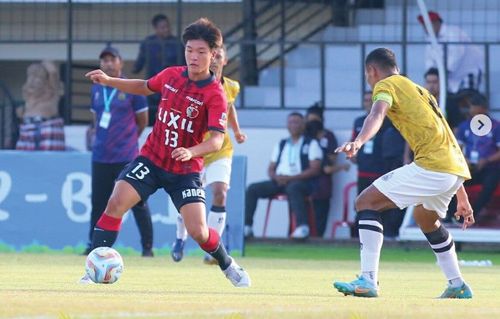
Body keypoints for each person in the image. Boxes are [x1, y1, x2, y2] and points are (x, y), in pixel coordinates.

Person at [81, 18, 250, 288]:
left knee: (199, 231)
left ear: (213, 55)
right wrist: (110, 80)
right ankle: (92, 270)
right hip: (152, 159)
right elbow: (143, 86)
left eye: (201, 52)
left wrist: (190, 150)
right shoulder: (171, 75)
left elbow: (217, 141)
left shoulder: (215, 94)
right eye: (189, 50)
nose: (193, 57)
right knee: (115, 203)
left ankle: (227, 264)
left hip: (185, 170)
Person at [333, 48, 474, 299]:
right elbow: (447, 136)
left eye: (368, 76)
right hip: (451, 168)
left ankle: (367, 279)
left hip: (433, 165)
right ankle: (457, 284)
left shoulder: (385, 85)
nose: (369, 80)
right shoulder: (422, 91)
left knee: (365, 202)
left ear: (371, 71)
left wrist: (359, 141)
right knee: (425, 218)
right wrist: (460, 193)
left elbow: (376, 113)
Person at [171, 45, 247, 264]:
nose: (214, 61)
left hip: (221, 149)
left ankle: (213, 248)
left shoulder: (232, 86)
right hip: (195, 151)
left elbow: (229, 107)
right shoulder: (195, 86)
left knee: (220, 192)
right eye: (211, 56)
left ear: (224, 61)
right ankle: (180, 239)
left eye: (218, 57)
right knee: (189, 200)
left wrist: (237, 130)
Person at [83, 46, 154, 257]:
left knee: (138, 202)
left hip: (127, 156)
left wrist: (127, 139)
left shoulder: (131, 88)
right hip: (101, 155)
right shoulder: (96, 88)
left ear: (120, 62)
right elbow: (96, 119)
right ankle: (93, 246)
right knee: (98, 203)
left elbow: (142, 122)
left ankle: (147, 248)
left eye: (112, 59)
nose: (108, 63)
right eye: (104, 60)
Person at [244, 112, 323, 239]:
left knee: (294, 188)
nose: (293, 125)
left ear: (303, 125)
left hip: (301, 183)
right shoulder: (282, 144)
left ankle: (302, 227)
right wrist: (276, 177)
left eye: (296, 122)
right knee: (253, 188)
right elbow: (271, 168)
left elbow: (315, 169)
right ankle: (247, 226)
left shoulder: (311, 143)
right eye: (290, 122)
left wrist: (291, 178)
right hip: (280, 181)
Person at [305, 103, 349, 237]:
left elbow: (331, 161)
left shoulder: (327, 136)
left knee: (320, 218)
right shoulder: (303, 137)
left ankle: (317, 242)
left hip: (322, 186)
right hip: (304, 182)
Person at [454, 94, 500, 223]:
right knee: (451, 181)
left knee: (491, 182)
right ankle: (453, 215)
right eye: (471, 107)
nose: (472, 110)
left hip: (490, 167)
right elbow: (457, 149)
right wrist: (465, 160)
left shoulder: (496, 126)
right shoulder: (464, 126)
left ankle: (472, 214)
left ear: (484, 109)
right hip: (468, 167)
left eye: (475, 107)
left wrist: (487, 160)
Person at [133, 14, 185, 126]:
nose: (166, 29)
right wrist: (135, 69)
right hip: (152, 84)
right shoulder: (148, 43)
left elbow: (184, 65)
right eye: (162, 27)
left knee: (171, 116)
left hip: (172, 86)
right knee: (151, 114)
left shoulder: (177, 43)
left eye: (167, 26)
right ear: (156, 28)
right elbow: (140, 62)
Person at [418, 11, 483, 94]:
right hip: (449, 76)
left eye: (427, 26)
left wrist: (441, 72)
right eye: (424, 26)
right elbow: (429, 57)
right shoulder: (431, 37)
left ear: (436, 23)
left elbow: (456, 55)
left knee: (468, 97)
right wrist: (430, 72)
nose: (425, 29)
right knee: (450, 99)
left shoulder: (453, 33)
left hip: (467, 72)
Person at [15, 61, 65, 151]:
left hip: (47, 129)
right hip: (27, 129)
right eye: (30, 76)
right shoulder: (29, 96)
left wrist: (44, 63)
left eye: (37, 77)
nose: (32, 80)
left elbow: (53, 72)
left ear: (46, 81)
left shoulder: (52, 93)